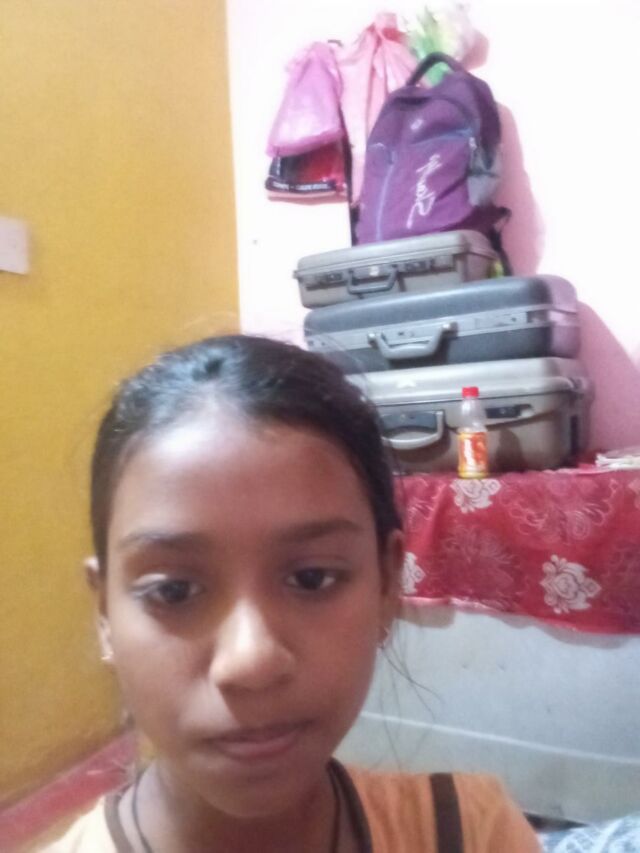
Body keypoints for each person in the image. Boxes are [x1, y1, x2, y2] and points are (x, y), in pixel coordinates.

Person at [45, 334, 540, 852]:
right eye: (174, 590)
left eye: (312, 578)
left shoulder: (471, 835)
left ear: (387, 584)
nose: (251, 662)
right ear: (104, 612)